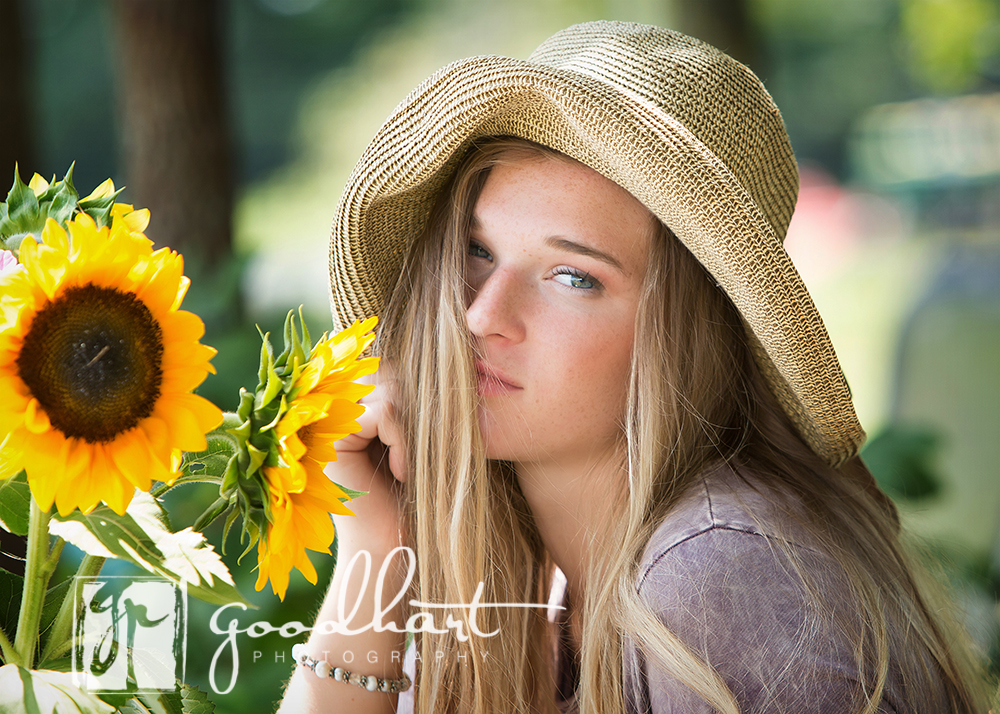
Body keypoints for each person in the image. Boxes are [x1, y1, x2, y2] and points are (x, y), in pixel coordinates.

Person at [278, 21, 991, 714]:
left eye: (574, 277)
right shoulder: (540, 590)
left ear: (684, 338)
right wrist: (376, 543)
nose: (481, 315)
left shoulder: (716, 576)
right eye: (477, 252)